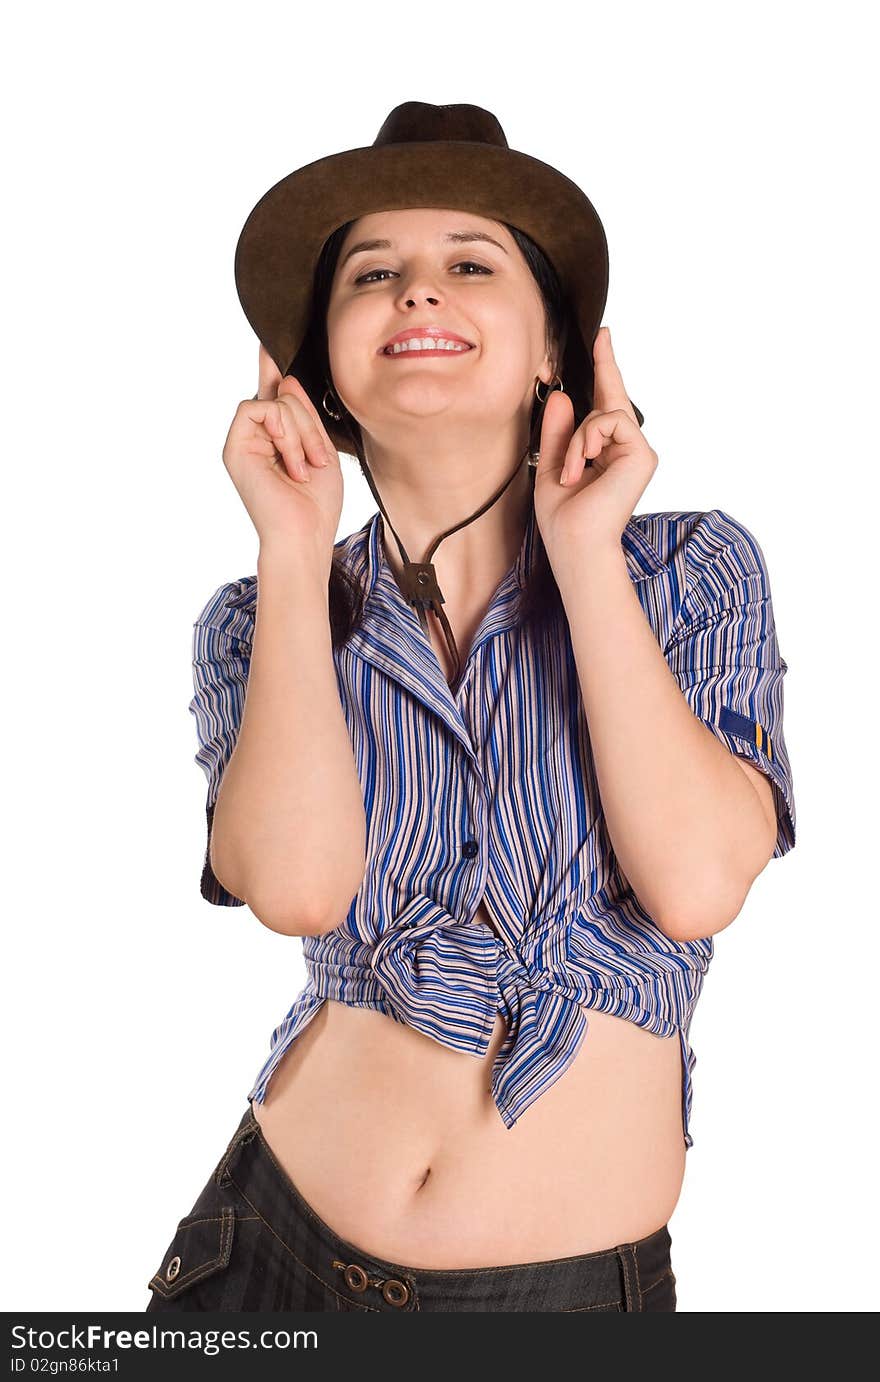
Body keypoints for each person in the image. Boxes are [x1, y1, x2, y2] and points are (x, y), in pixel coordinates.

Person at [145, 103, 796, 1314]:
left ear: (555, 344)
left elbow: (699, 881)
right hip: (262, 1248)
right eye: (373, 273)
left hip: (558, 1300)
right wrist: (290, 549)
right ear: (320, 367)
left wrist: (584, 550)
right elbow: (295, 886)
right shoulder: (258, 616)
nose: (417, 294)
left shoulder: (685, 570)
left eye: (469, 264)